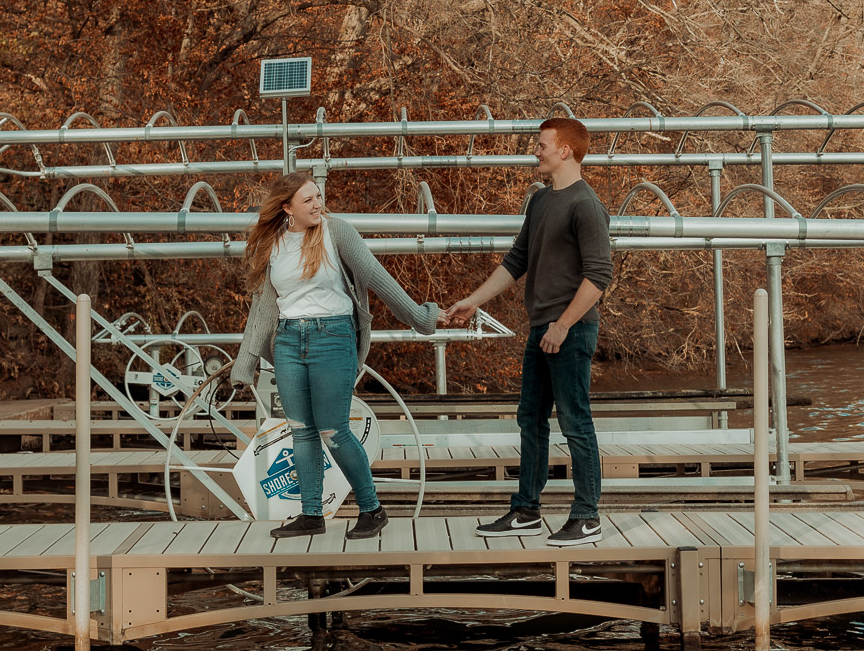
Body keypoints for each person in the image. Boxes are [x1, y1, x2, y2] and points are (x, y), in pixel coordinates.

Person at [231, 171, 439, 539]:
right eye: (308, 199)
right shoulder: (273, 244)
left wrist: (421, 318)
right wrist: (244, 364)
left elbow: (378, 278)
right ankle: (311, 515)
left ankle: (372, 509)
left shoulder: (336, 231)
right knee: (301, 432)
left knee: (334, 431)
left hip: (334, 337)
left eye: (318, 196)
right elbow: (263, 308)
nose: (317, 204)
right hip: (289, 342)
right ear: (287, 208)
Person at [441, 118, 613, 546]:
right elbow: (517, 260)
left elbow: (598, 276)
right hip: (542, 329)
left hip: (569, 332)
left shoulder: (586, 205)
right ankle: (526, 511)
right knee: (530, 420)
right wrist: (474, 300)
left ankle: (587, 516)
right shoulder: (539, 201)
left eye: (542, 145)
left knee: (576, 423)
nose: (535, 151)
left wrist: (562, 324)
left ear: (565, 151)